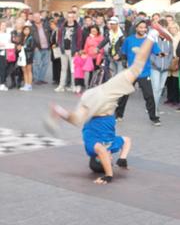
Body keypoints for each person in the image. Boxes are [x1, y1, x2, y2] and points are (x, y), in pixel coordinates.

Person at [45, 24, 171, 184]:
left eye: (109, 159)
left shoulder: (93, 148)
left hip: (101, 102)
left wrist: (108, 175)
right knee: (77, 120)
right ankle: (59, 111)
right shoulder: (112, 144)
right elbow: (127, 140)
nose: (110, 157)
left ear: (98, 159)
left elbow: (102, 152)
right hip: (93, 100)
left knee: (137, 67)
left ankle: (152, 34)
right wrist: (123, 159)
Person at [115, 19, 162, 126]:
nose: (143, 29)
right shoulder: (129, 40)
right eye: (140, 27)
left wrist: (162, 54)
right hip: (132, 72)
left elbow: (158, 52)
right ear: (136, 28)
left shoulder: (150, 41)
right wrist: (122, 60)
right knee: (124, 94)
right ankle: (118, 115)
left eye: (145, 27)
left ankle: (154, 118)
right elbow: (124, 53)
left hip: (144, 73)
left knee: (149, 95)